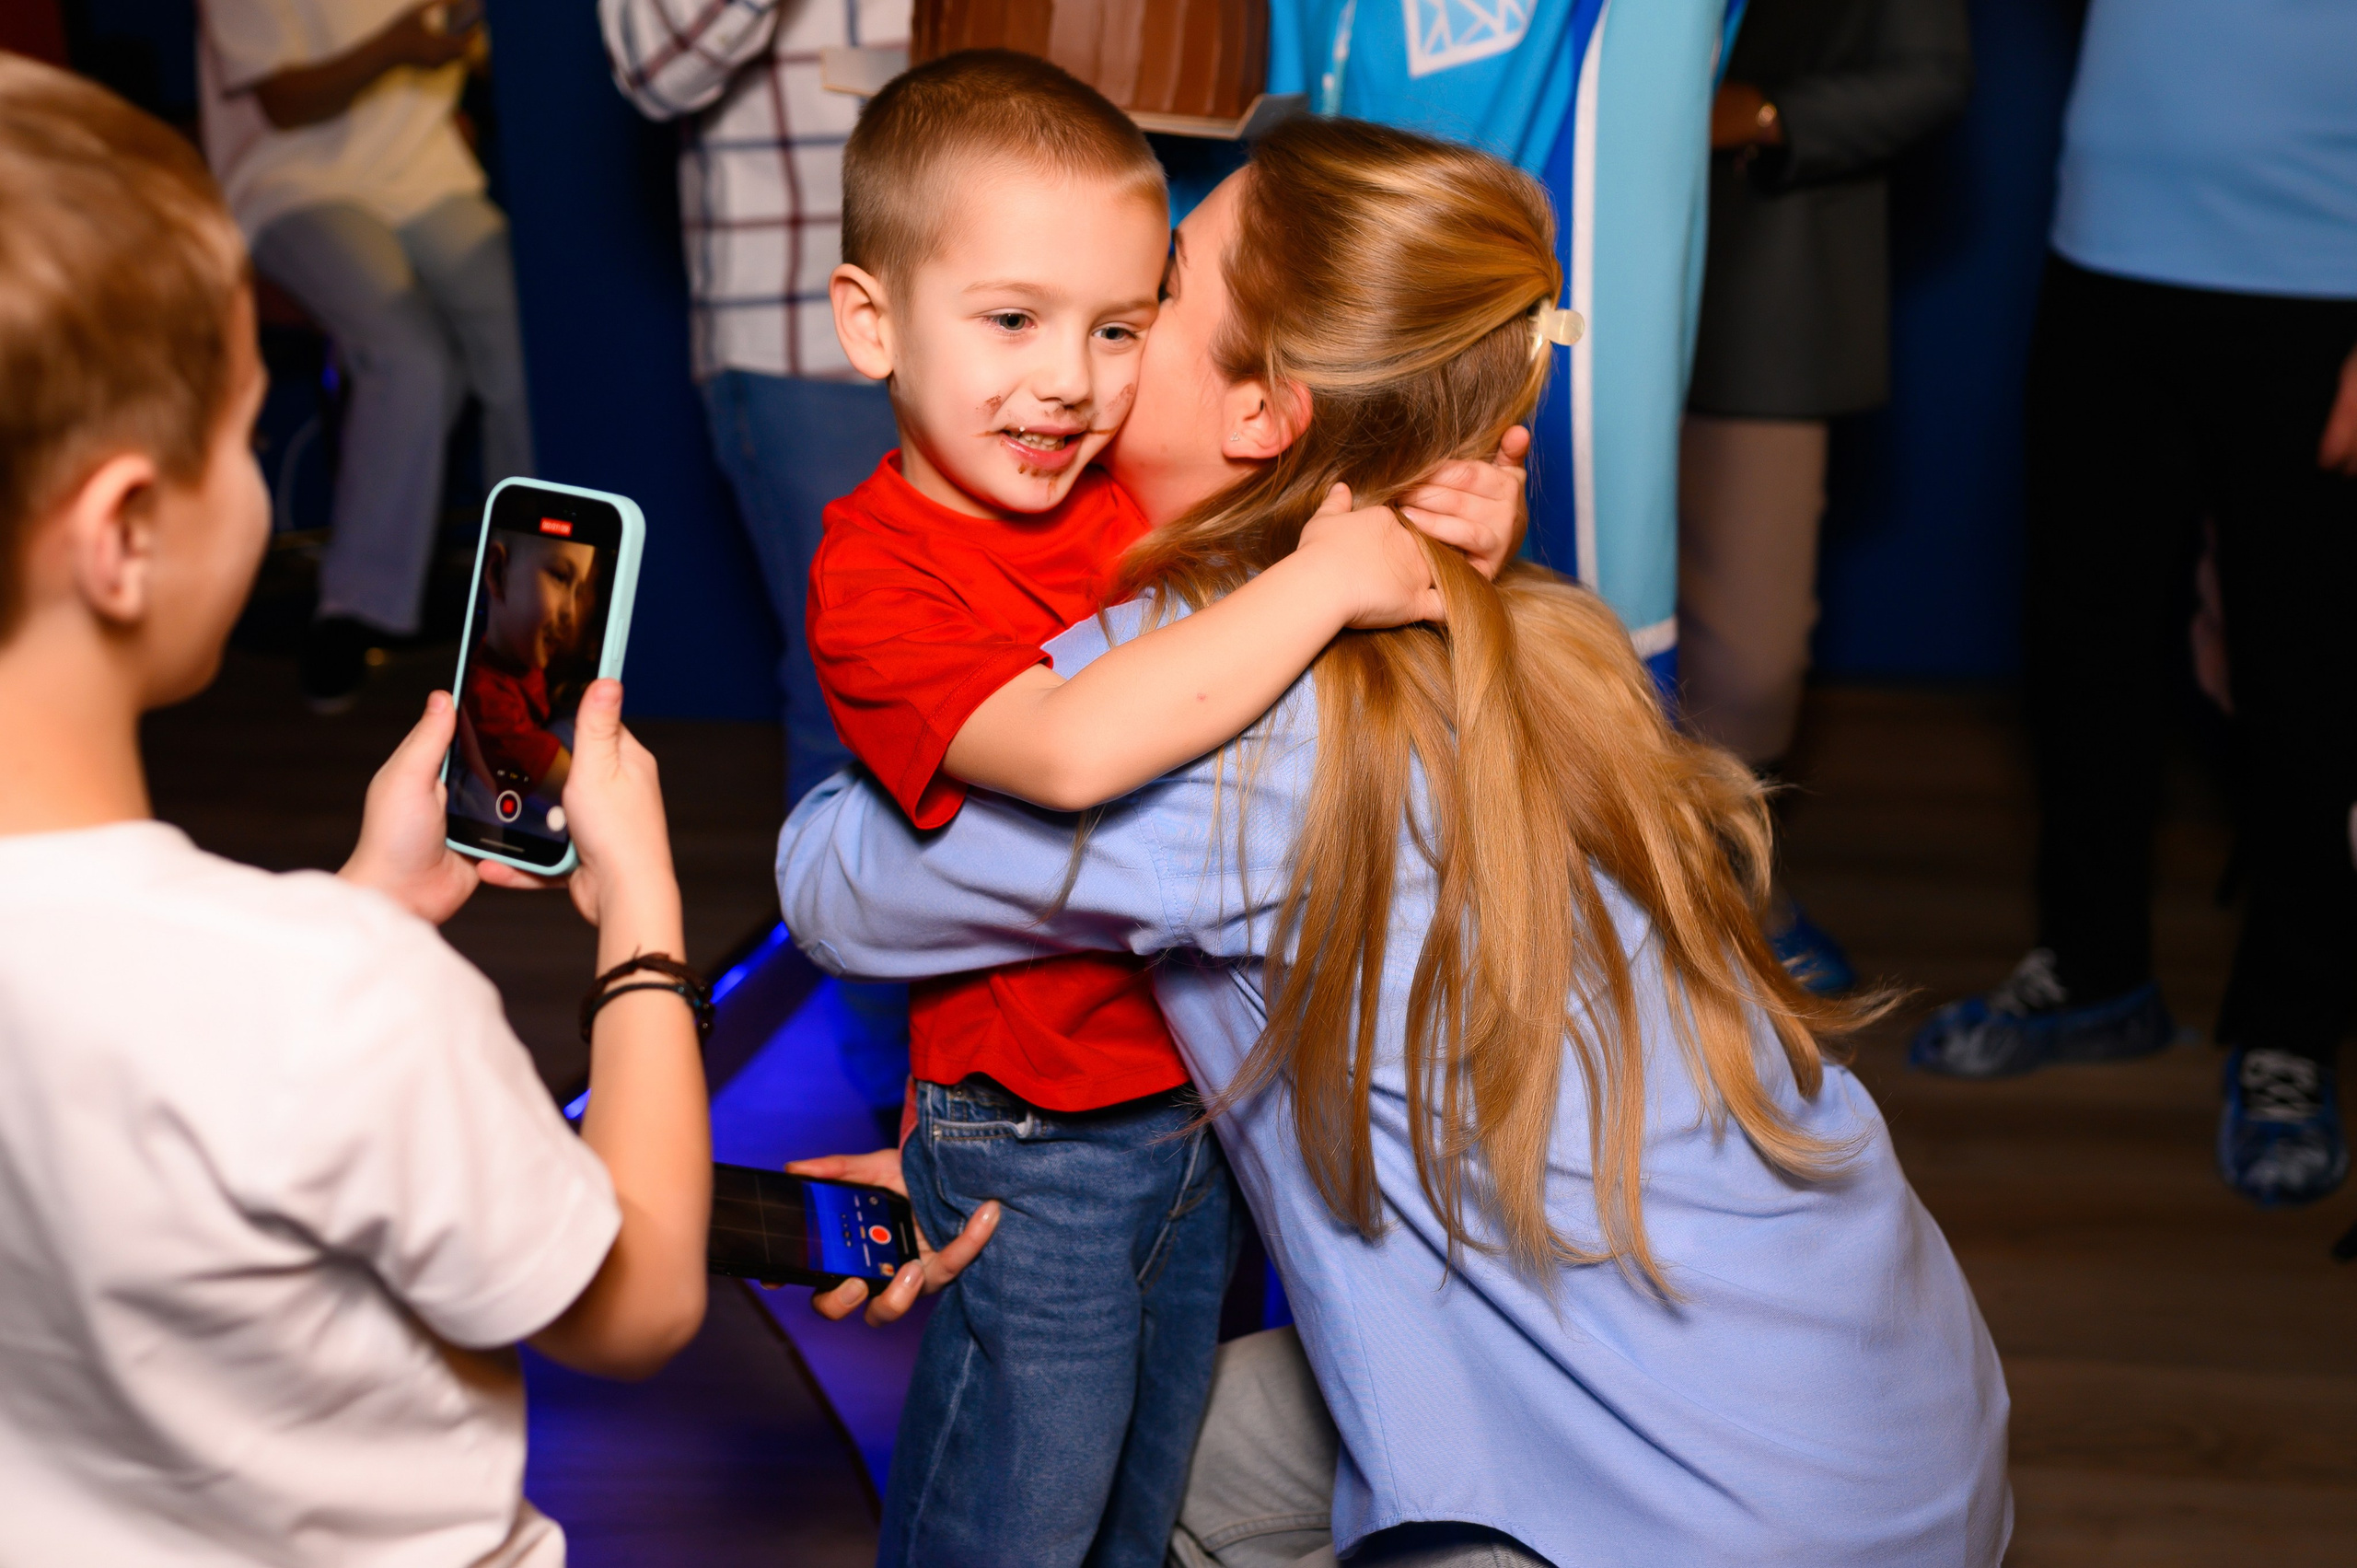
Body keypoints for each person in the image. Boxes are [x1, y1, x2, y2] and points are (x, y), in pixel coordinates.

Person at [783, 116, 2012, 1567]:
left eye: (1159, 287)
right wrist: (994, 1147)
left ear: (1265, 417)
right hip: (1896, 1433)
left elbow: (836, 880)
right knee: (1147, 1452)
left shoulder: (1203, 732)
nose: (1102, 326)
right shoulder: (1530, 613)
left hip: (1710, 1520)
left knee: (1084, 1486)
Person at [797, 52, 1525, 1568]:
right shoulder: (879, 579)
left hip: (1201, 1114)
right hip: (1030, 1146)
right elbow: (1068, 750)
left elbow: (1301, 519)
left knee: (1143, 1509)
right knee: (1020, 1511)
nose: (1071, 379)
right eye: (1012, 320)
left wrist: (1455, 522)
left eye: (1120, 328)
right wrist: (1330, 575)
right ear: (872, 320)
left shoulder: (1112, 497)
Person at [0, 58, 705, 1562]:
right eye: (249, 435)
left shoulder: (313, 975)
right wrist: (642, 922)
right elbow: (639, 1300)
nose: (263, 491)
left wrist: (360, 904)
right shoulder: (339, 1002)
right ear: (124, 530)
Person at [1910, 0, 2357, 1210]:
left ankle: (2290, 1031)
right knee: (2083, 639)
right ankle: (2098, 970)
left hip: (2321, 291)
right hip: (2102, 262)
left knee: (2306, 673)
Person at [598, 0, 919, 1143]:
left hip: (992, 291)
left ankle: (985, 1055)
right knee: (855, 700)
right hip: (794, 318)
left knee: (1019, 666)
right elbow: (654, 65)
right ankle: (890, 1077)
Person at [1679, 0, 1971, 989]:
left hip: (1764, 279)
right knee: (1550, 597)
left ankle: (1727, 881)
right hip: (1553, 256)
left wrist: (1765, 113)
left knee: (1749, 653)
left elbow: (1930, 75)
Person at [195, 0, 537, 712]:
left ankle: (525, 612)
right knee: (408, 355)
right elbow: (285, 102)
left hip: (427, 180)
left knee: (526, 333)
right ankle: (354, 607)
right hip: (291, 185)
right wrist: (395, 48)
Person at [458, 529, 595, 807]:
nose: (571, 611)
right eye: (559, 576)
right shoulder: (489, 707)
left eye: (578, 590)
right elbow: (580, 788)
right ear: (497, 573)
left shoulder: (520, 657)